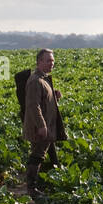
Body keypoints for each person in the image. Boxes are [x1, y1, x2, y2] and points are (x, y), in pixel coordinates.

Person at [22, 48, 58, 193]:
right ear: (39, 62)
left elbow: (42, 100)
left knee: (40, 154)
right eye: (48, 60)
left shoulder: (43, 79)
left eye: (53, 61)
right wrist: (42, 126)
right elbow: (32, 105)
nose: (52, 63)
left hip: (46, 125)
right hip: (40, 127)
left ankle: (36, 184)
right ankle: (31, 188)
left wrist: (54, 96)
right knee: (37, 156)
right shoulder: (36, 81)